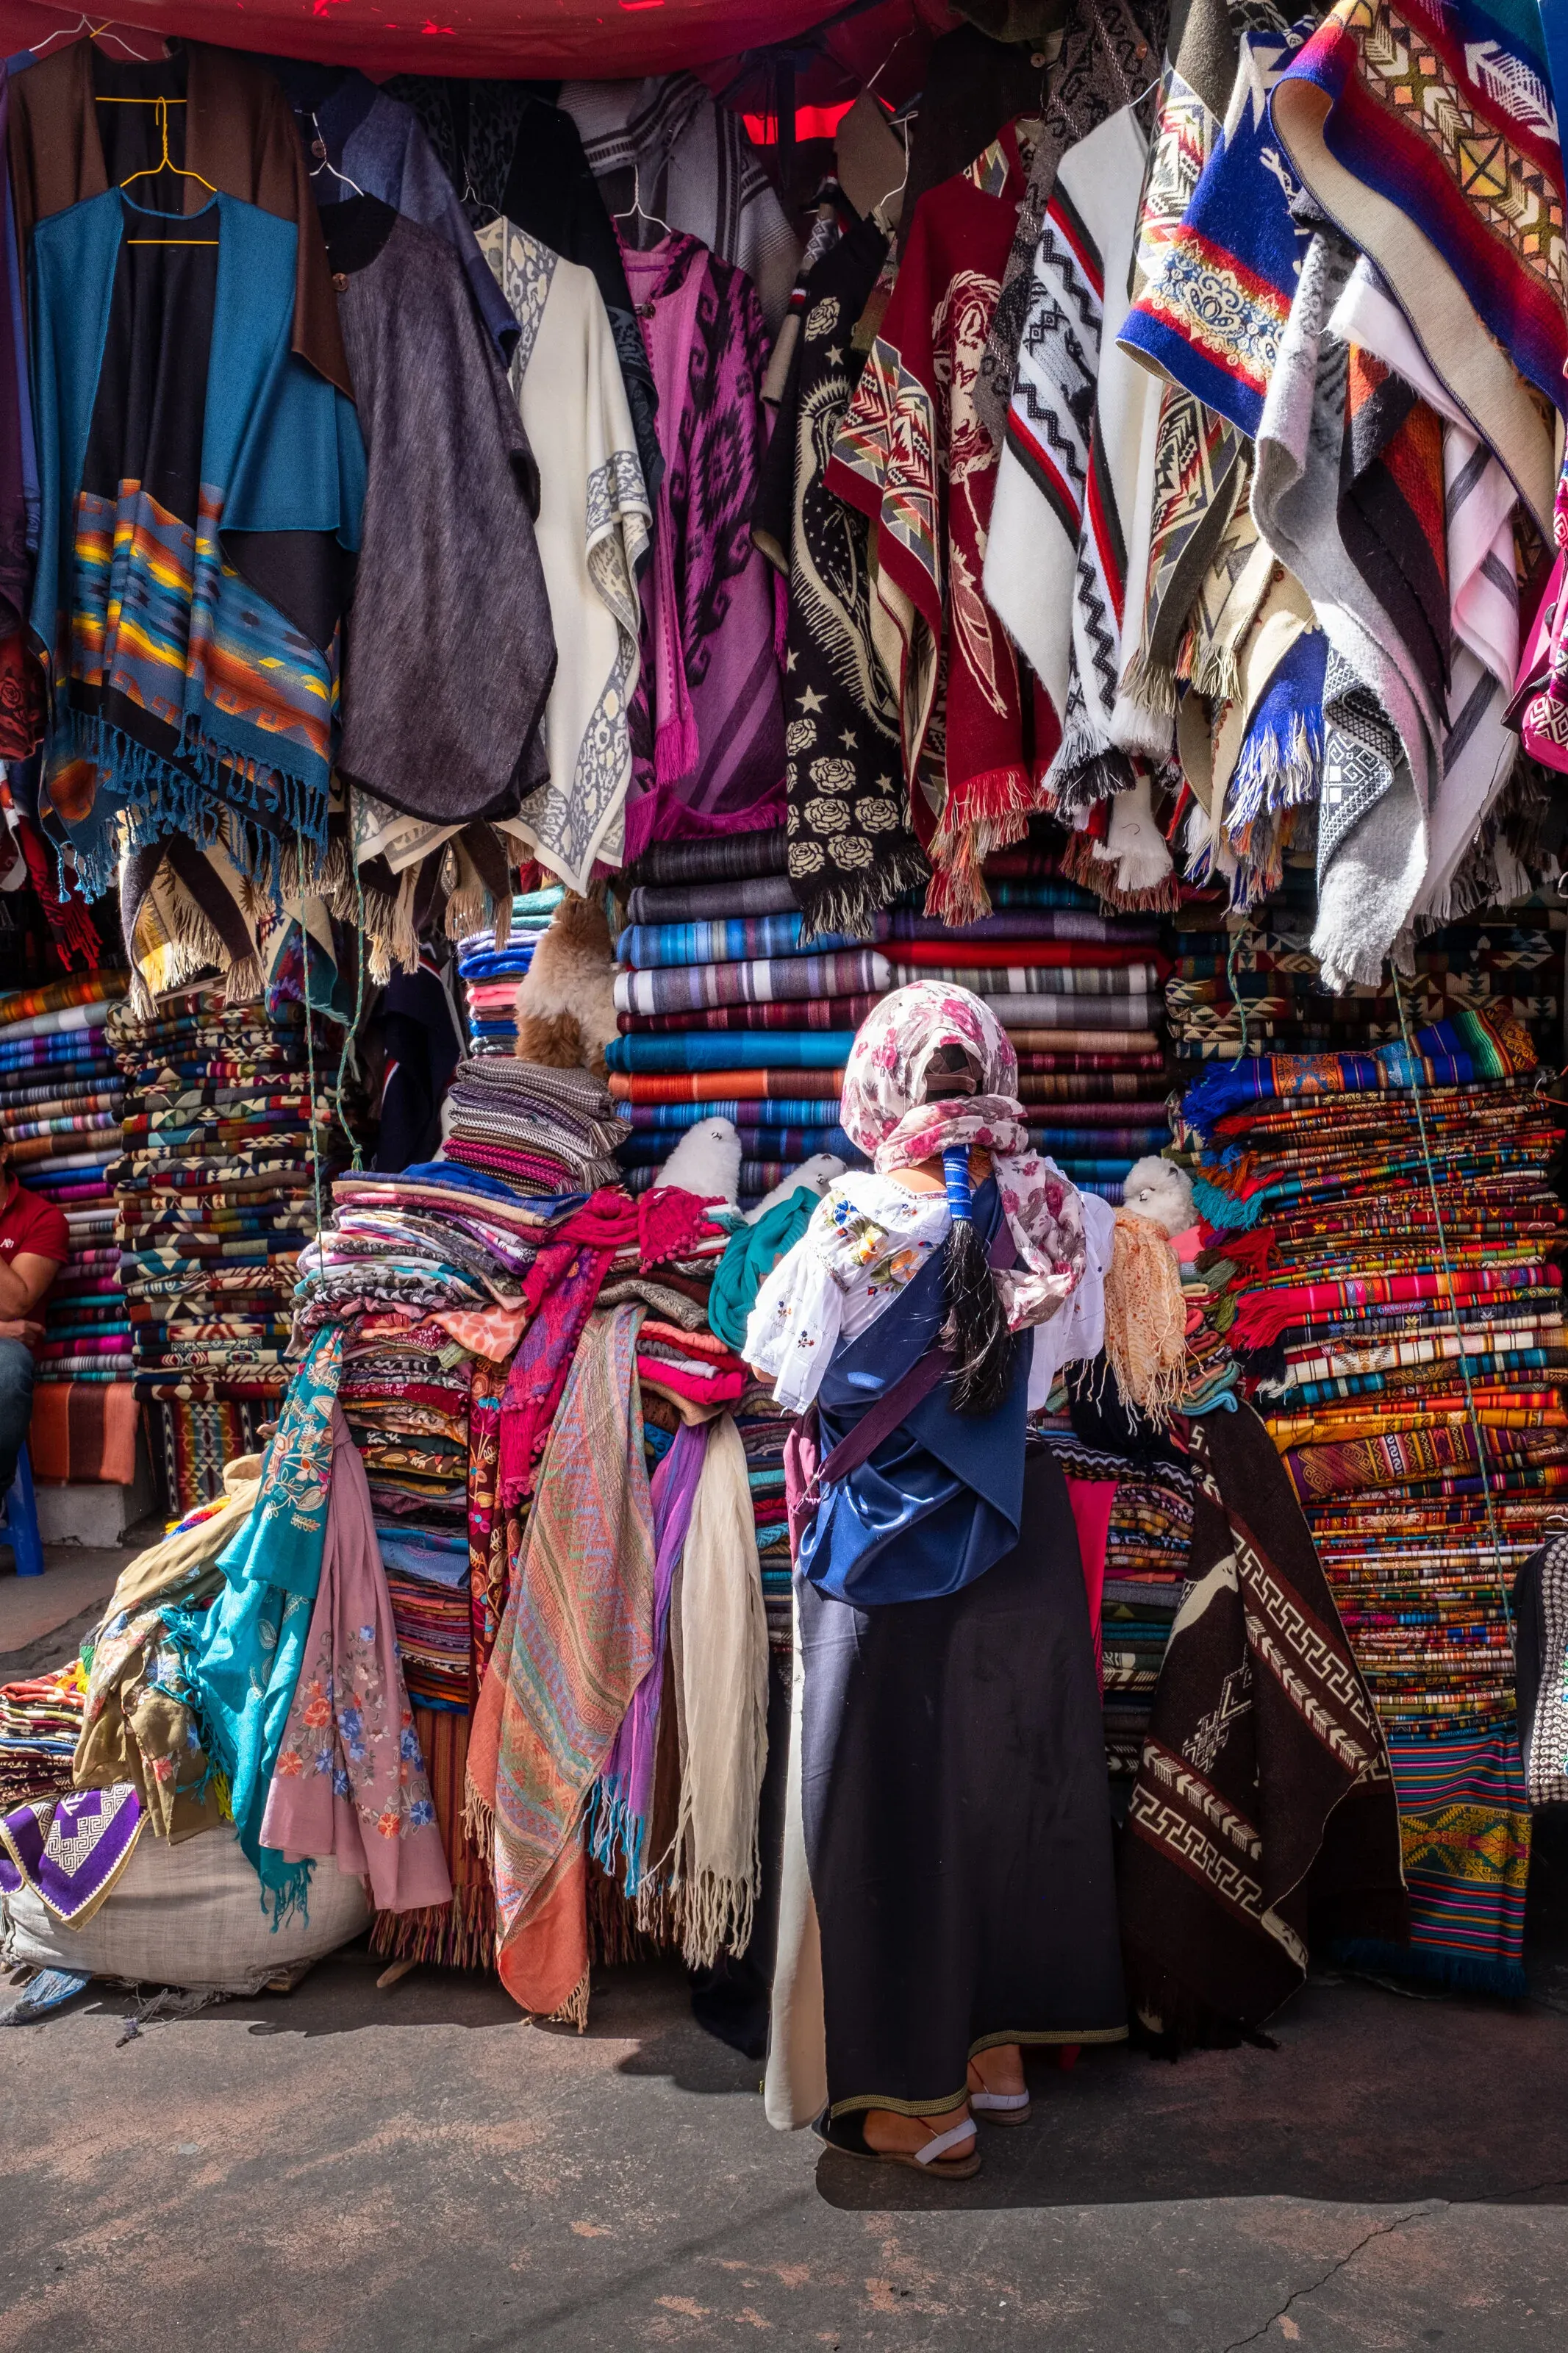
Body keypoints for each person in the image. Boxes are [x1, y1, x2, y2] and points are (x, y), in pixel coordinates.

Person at [746, 982, 1126, 2180]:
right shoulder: (1068, 1212)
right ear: (997, 1074)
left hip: (883, 1555)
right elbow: (1074, 1358)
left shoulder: (845, 1224)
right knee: (1006, 1792)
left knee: (888, 1816)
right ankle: (994, 2060)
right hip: (1018, 1540)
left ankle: (917, 2104)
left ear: (877, 1088)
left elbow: (777, 1364)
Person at [0, 1138, 68, 1493]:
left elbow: (14, 1305)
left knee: (7, 1372)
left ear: (3, 1152)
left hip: (5, 1352)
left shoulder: (42, 1218)